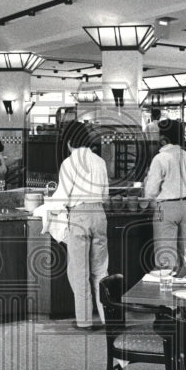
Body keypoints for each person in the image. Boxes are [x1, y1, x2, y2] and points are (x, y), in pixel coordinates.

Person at [54, 121, 109, 330]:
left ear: (69, 142)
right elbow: (105, 195)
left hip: (79, 216)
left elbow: (62, 197)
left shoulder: (68, 163)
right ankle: (106, 318)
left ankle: (84, 321)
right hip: (99, 215)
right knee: (101, 271)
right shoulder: (100, 162)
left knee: (80, 272)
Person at [143, 119, 186, 273]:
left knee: (165, 257)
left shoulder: (161, 158)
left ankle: (165, 291)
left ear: (164, 138)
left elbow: (151, 191)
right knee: (181, 254)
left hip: (166, 208)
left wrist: (147, 185)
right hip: (185, 208)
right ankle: (181, 284)